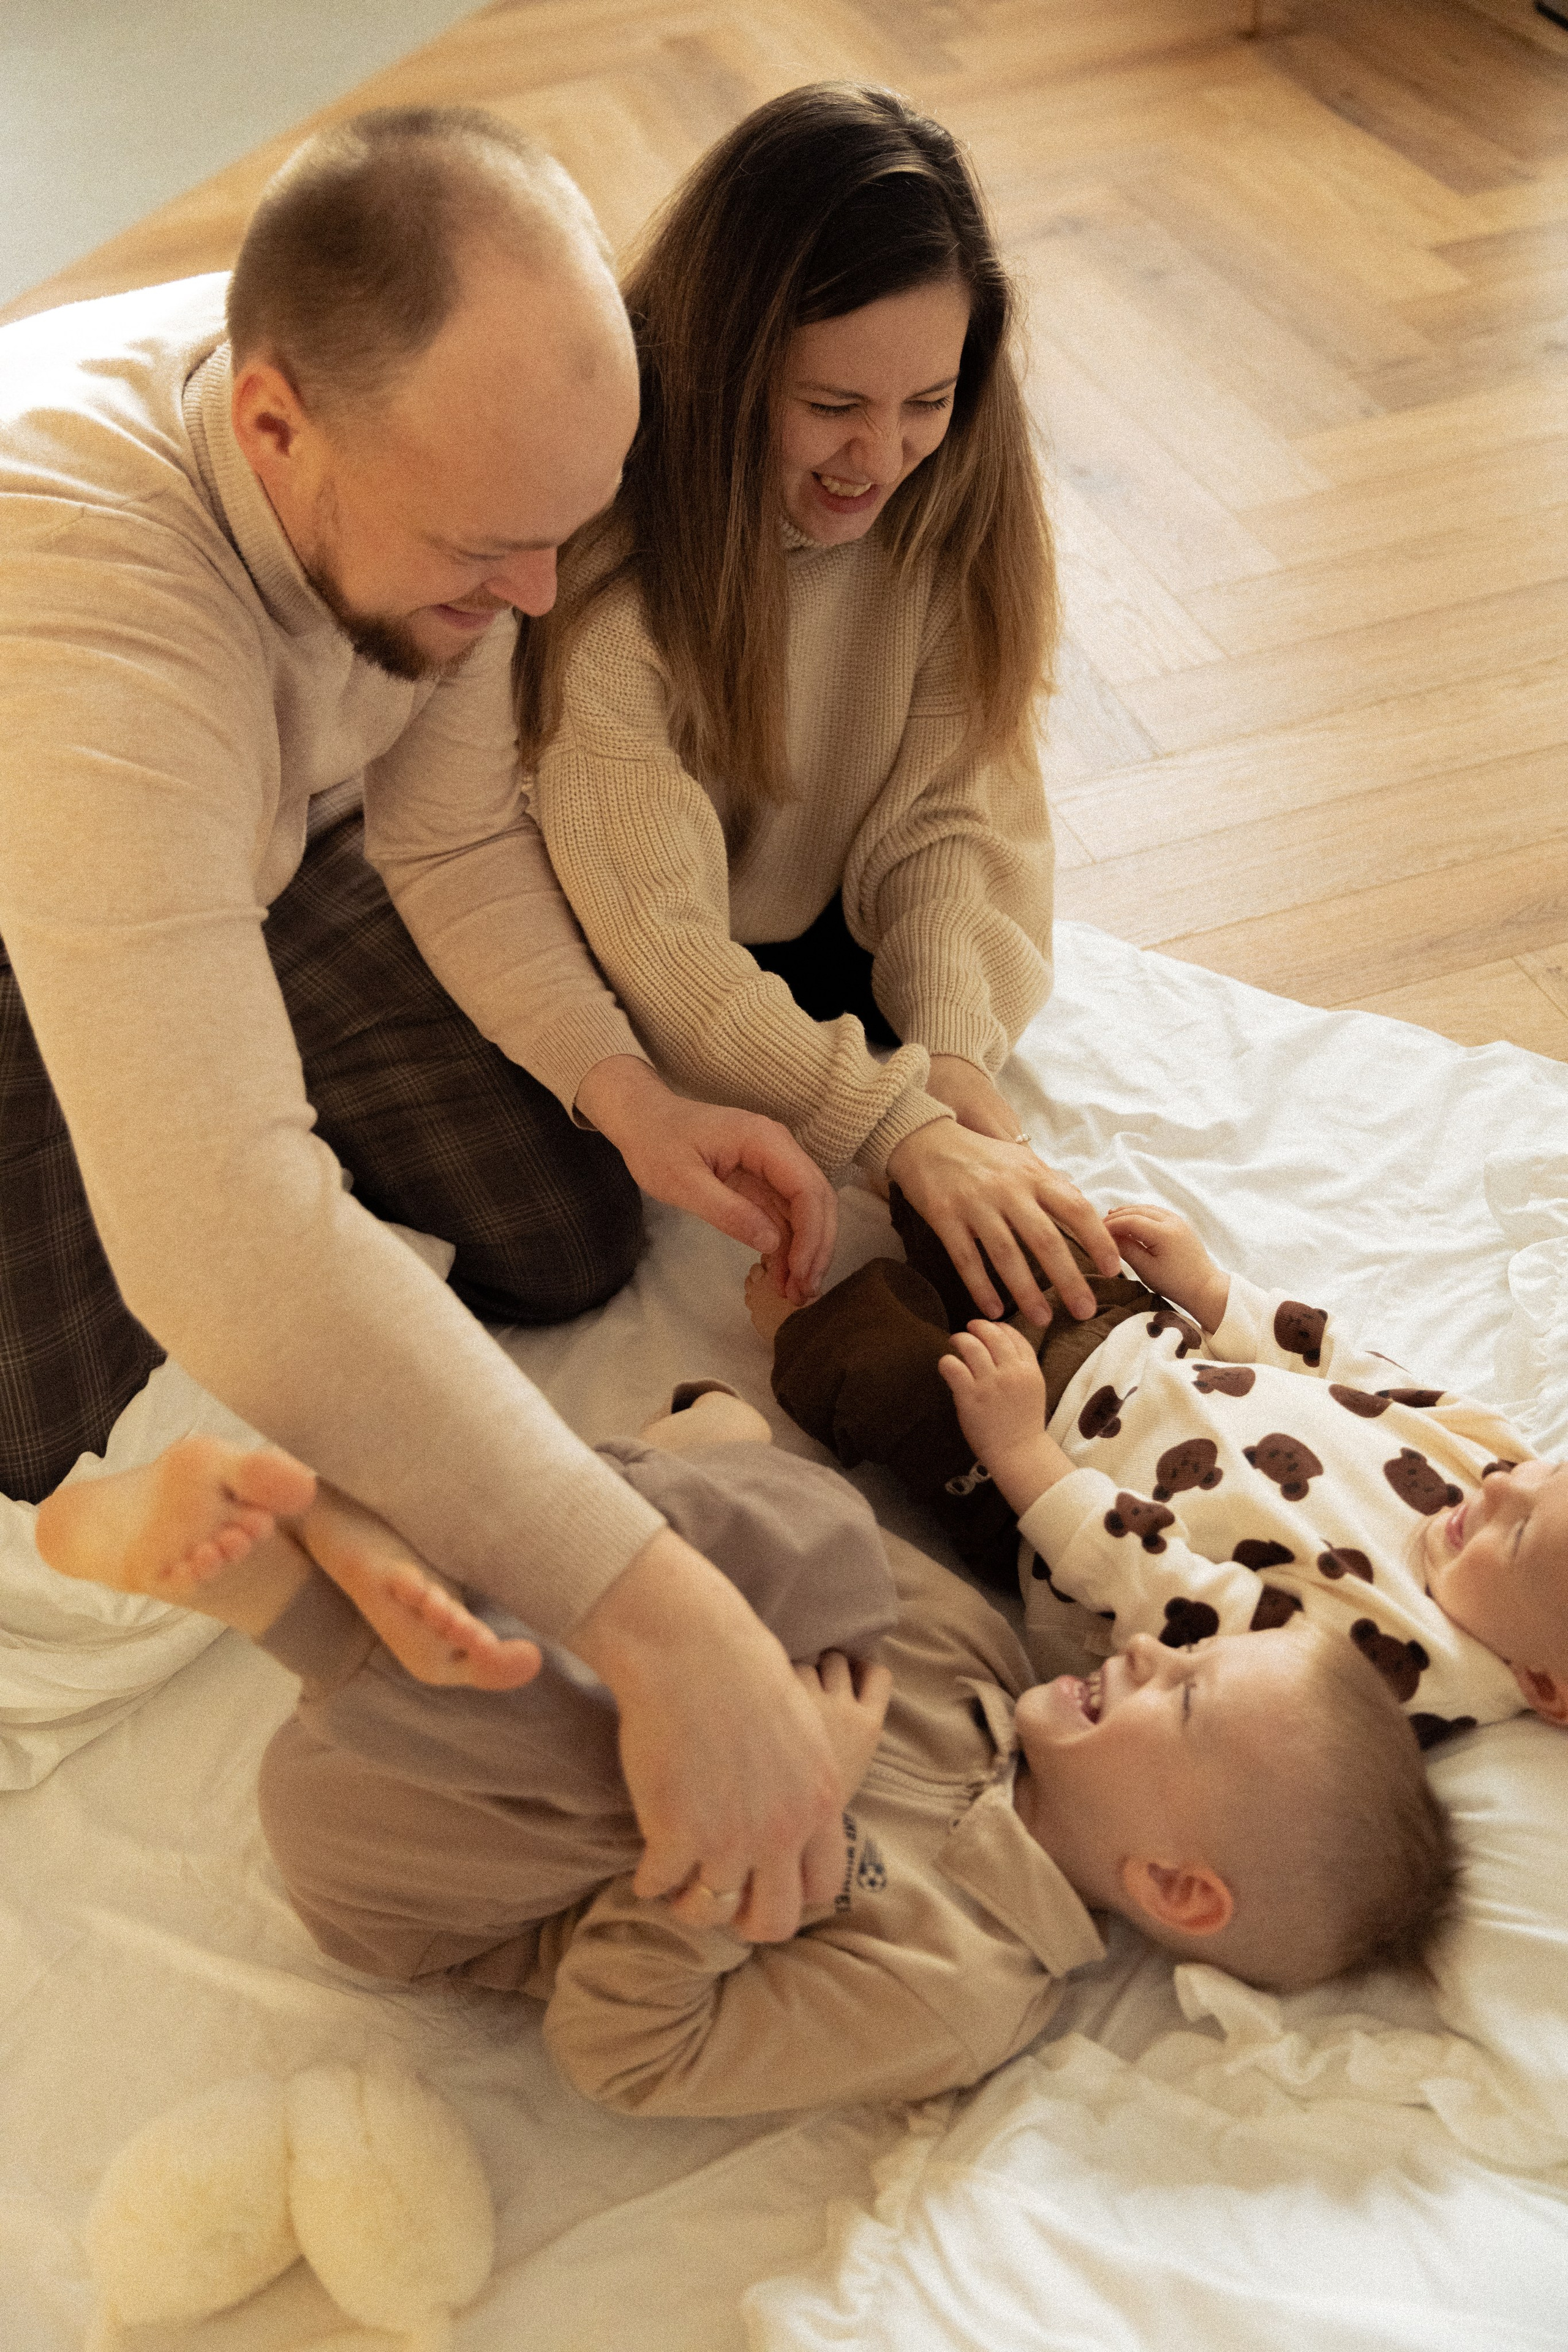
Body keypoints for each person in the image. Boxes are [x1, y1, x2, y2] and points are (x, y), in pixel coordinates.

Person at [0, 105, 851, 1942]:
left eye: (562, 537)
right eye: (488, 550)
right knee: (57, 1420)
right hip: (29, 925)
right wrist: (661, 1615)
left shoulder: (438, 472)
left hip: (224, 856)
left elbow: (451, 833)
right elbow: (222, 1221)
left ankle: (238, 1139)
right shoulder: (84, 609)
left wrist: (623, 1091)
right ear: (273, 430)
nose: (538, 601)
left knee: (567, 1224)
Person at [34, 1390, 1455, 2119]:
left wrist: (772, 1827)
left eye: (1184, 1699)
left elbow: (622, 2054)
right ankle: (415, 1508)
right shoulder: (980, 1668)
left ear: (1175, 1886)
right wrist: (728, 1458)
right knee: (834, 1547)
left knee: (634, 1775)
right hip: (507, 1634)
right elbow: (774, 1536)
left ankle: (271, 1590)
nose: (1144, 1649)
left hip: (427, 1859)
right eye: (1185, 1647)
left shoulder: (954, 1991)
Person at [518, 82, 1123, 1335]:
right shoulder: (609, 574)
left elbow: (952, 816)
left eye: (926, 402)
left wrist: (949, 1054)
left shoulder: (949, 492)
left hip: (803, 932)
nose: (881, 458)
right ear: (724, 366)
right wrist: (892, 1126)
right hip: (621, 935)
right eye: (831, 407)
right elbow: (660, 947)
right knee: (565, 1228)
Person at [750, 1196, 1568, 1745]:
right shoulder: (1505, 1466)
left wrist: (1021, 1454)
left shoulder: (1401, 1669)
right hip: (1141, 1341)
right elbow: (1360, 1373)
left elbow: (1167, 1597)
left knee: (887, 1374)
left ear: (1544, 1684)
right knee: (1019, 1220)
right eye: (1537, 1480)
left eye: (1519, 1534)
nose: (1500, 1487)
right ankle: (909, 1169)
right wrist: (1212, 1292)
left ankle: (801, 1322)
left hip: (1039, 1475)